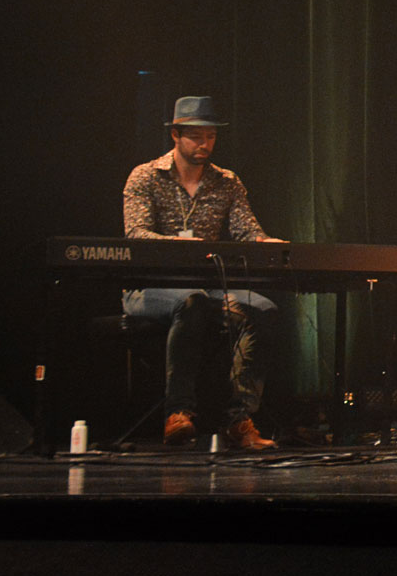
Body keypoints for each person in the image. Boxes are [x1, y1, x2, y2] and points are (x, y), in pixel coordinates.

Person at [121, 96, 283, 450]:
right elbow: (137, 236)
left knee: (263, 310)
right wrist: (187, 248)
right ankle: (177, 414)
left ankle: (239, 419)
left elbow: (246, 230)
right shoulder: (145, 177)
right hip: (150, 289)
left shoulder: (226, 182)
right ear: (176, 135)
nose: (204, 144)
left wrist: (266, 241)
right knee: (191, 302)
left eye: (210, 136)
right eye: (196, 136)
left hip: (207, 288)